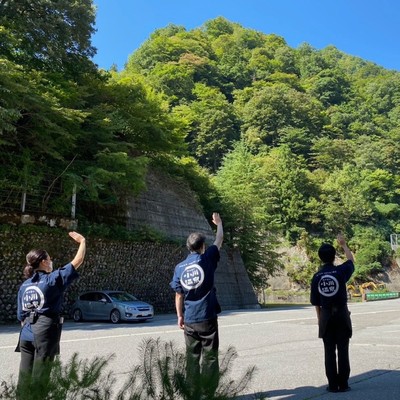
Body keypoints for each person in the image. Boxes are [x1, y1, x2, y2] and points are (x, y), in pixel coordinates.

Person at [16, 231, 86, 396]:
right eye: (49, 259)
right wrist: (82, 241)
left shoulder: (24, 285)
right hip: (45, 332)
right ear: (43, 262)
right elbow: (77, 261)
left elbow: (21, 316)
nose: (51, 261)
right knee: (40, 380)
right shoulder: (52, 280)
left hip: (25, 334)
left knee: (24, 378)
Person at [170, 212, 223, 398]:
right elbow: (219, 240)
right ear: (202, 247)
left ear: (188, 247)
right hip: (207, 317)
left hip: (190, 319)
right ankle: (208, 393)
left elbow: (178, 294)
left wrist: (180, 316)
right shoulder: (207, 258)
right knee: (210, 356)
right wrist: (219, 223)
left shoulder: (179, 267)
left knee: (191, 358)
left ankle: (192, 393)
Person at [310, 234, 355, 393]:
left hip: (326, 315)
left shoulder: (316, 277)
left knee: (329, 351)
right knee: (343, 349)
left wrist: (320, 319)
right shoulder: (340, 272)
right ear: (334, 256)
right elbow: (351, 261)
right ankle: (343, 383)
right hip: (342, 314)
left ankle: (332, 385)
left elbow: (316, 302)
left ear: (320, 258)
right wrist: (343, 245)